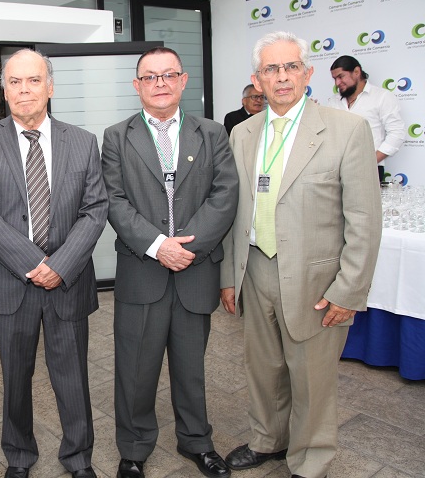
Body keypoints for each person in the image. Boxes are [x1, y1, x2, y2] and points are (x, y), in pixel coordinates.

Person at [220, 32, 382, 478]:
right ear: (258, 80)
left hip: (317, 281)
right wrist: (229, 276)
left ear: (307, 74)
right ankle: (268, 440)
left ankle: (311, 460)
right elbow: (236, 211)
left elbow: (365, 220)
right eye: (271, 69)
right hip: (254, 269)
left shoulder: (347, 130)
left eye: (291, 66)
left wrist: (348, 291)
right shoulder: (243, 132)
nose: (282, 76)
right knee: (263, 369)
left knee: (312, 379)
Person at [0, 49, 108, 478]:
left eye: (32, 81)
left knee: (72, 378)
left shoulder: (82, 141)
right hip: (11, 284)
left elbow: (95, 209)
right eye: (14, 82)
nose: (23, 90)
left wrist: (59, 265)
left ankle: (79, 459)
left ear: (50, 87)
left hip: (67, 282)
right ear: (4, 89)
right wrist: (33, 263)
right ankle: (19, 457)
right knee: (14, 379)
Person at [101, 47, 238, 478]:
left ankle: (197, 442)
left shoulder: (212, 133)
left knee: (191, 367)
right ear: (137, 86)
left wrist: (187, 248)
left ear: (183, 81)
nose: (160, 83)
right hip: (143, 271)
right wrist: (159, 244)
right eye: (150, 76)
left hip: (195, 270)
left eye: (169, 75)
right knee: (135, 370)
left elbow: (224, 195)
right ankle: (134, 449)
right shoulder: (116, 136)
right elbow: (114, 200)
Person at [326, 55, 405, 181]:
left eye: (341, 77)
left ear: (356, 72)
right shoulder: (333, 101)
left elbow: (397, 134)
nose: (337, 83)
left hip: (370, 170)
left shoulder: (382, 97)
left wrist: (370, 161)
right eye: (335, 79)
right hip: (337, 172)